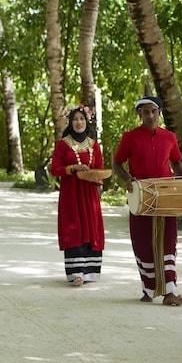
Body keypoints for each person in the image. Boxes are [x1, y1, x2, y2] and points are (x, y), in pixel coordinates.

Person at [112, 96, 182, 306]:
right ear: (140, 114)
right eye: (146, 112)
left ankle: (169, 291)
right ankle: (148, 288)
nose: (150, 115)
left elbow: (177, 164)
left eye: (154, 111)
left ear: (159, 112)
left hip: (166, 197)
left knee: (168, 241)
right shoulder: (130, 137)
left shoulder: (169, 137)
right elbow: (117, 163)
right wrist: (128, 179)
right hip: (141, 197)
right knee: (143, 241)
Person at [50, 105, 105, 286]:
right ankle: (76, 274)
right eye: (75, 119)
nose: (78, 122)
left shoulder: (94, 145)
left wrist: (97, 178)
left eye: (82, 119)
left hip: (89, 195)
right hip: (71, 195)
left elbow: (100, 169)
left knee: (90, 228)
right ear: (70, 122)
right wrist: (72, 168)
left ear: (86, 121)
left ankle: (90, 272)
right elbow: (54, 169)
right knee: (74, 228)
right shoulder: (63, 144)